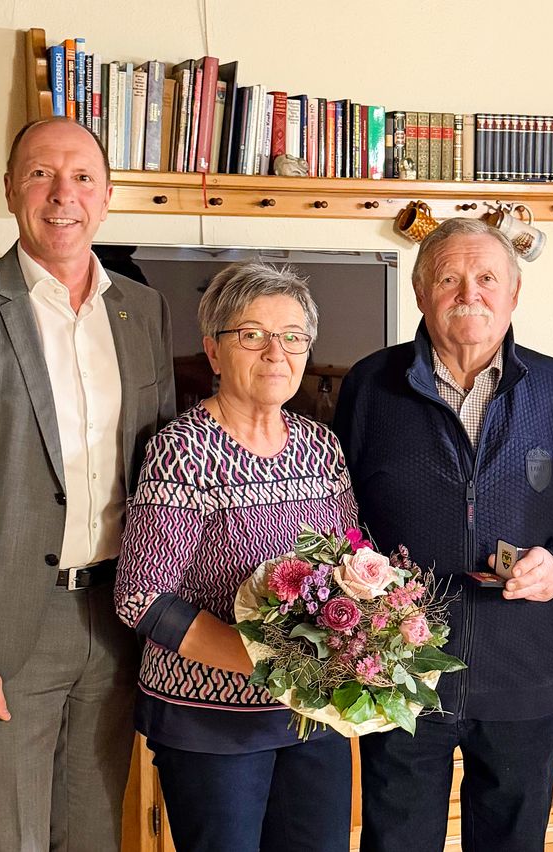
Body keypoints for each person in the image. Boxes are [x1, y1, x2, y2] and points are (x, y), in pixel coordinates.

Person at [0, 117, 176, 851]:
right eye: (41, 174)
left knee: (92, 834)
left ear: (108, 195)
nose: (63, 195)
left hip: (119, 619)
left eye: (82, 176)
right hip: (5, 625)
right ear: (11, 190)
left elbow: (167, 477)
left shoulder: (141, 310)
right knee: (9, 837)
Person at [333, 217, 553, 852]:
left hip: (523, 664)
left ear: (514, 295)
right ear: (421, 293)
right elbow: (332, 513)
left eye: (487, 278)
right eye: (450, 278)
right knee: (396, 840)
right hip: (400, 669)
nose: (469, 293)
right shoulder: (370, 386)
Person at [114, 261, 356, 852]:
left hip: (311, 715)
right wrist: (264, 662)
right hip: (209, 722)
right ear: (214, 352)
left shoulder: (321, 446)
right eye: (252, 334)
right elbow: (140, 598)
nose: (277, 351)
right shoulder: (183, 450)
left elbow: (353, 556)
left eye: (293, 336)